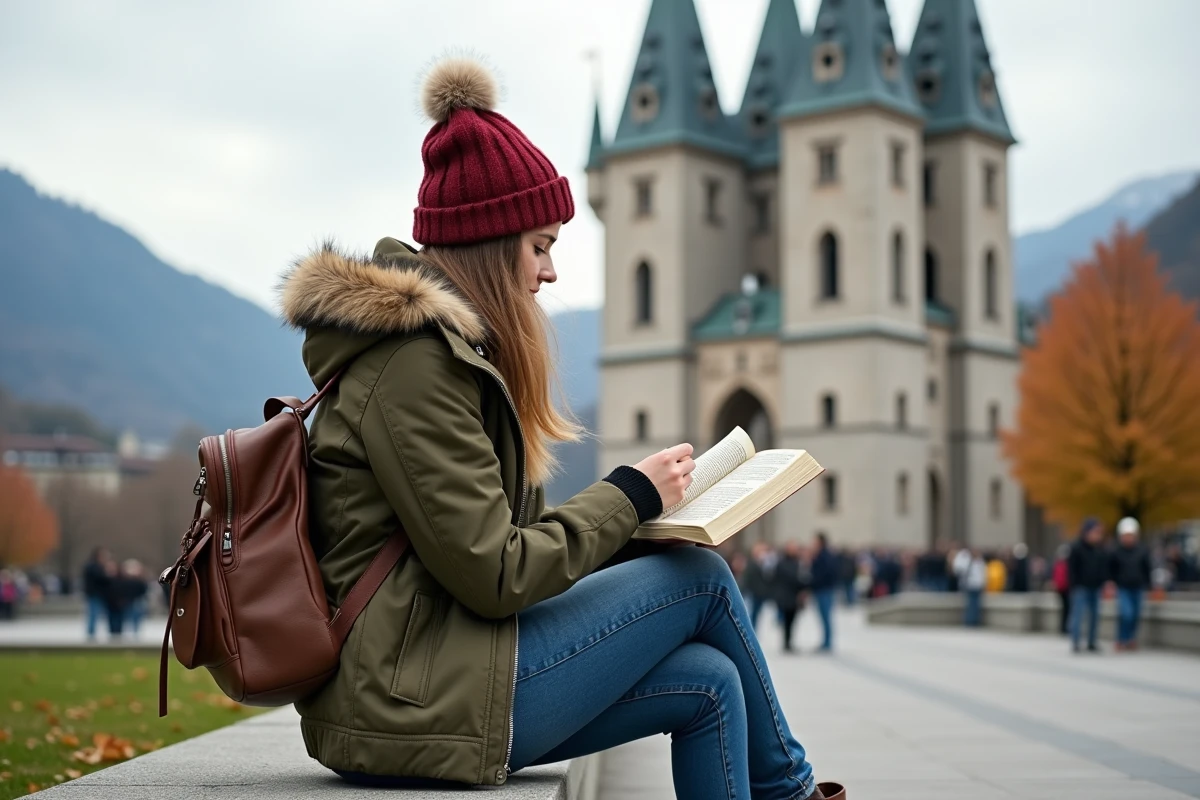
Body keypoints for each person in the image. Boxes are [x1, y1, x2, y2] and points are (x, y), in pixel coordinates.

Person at [280, 59, 837, 799]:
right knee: (702, 582)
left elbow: (505, 548)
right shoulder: (414, 366)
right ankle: (793, 793)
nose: (549, 273)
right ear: (490, 243)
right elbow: (497, 573)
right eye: (539, 246)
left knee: (710, 681)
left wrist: (643, 529)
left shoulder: (450, 360)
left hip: (437, 674)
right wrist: (629, 495)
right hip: (407, 699)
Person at [1068, 518, 1109, 653]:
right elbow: (1072, 569)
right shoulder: (1077, 548)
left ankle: (1091, 641)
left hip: (1095, 586)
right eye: (1095, 532)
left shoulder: (1100, 549)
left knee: (1095, 615)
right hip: (1081, 586)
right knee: (1078, 615)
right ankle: (1076, 641)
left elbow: (1103, 568)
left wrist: (1103, 582)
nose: (1097, 535)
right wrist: (1074, 584)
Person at [1111, 517, 1150, 651]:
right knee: (1126, 614)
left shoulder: (1142, 551)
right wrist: (1111, 583)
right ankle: (1121, 638)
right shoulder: (1116, 552)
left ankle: (1131, 638)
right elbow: (1112, 570)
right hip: (1123, 587)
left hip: (1138, 587)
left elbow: (1147, 569)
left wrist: (1150, 585)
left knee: (1135, 615)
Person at [772, 542, 809, 653]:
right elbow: (793, 578)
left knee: (791, 621)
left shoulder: (796, 562)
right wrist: (805, 584)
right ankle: (787, 643)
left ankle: (788, 642)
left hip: (793, 596)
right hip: (786, 596)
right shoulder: (784, 563)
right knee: (787, 621)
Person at [810, 533, 838, 651]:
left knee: (826, 617)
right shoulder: (821, 555)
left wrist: (813, 581)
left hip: (824, 590)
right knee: (823, 617)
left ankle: (827, 642)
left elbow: (825, 573)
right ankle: (826, 641)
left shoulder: (824, 556)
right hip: (822, 589)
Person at [743, 541, 774, 632]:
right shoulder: (752, 564)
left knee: (756, 613)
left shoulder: (763, 563)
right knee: (753, 613)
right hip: (754, 593)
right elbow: (749, 579)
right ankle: (751, 631)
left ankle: (753, 630)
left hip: (760, 593)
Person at [82, 547, 112, 639]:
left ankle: (93, 634)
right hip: (95, 594)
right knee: (94, 615)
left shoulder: (93, 566)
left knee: (96, 615)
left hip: (98, 594)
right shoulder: (94, 567)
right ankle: (91, 635)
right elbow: (102, 579)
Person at [962, 550, 987, 627]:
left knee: (976, 604)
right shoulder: (969, 562)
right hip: (971, 585)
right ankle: (970, 621)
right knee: (971, 604)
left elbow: (983, 575)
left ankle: (974, 620)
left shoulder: (980, 562)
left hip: (977, 585)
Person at [1051, 544, 1072, 635]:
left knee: (1065, 608)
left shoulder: (1058, 564)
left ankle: (1064, 627)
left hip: (1062, 588)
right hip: (1064, 589)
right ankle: (1064, 627)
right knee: (1066, 608)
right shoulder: (1063, 565)